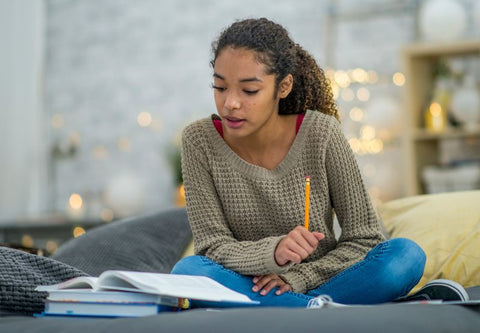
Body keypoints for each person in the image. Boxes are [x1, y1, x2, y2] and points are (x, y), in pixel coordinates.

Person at [171, 17, 468, 307]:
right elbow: (212, 247)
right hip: (246, 283)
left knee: (405, 256)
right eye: (220, 87)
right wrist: (273, 252)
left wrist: (298, 277)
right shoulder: (199, 141)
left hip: (321, 281)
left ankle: (296, 307)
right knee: (189, 271)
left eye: (249, 90)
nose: (230, 103)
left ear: (283, 86)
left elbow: (363, 238)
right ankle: (316, 310)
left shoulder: (321, 133)